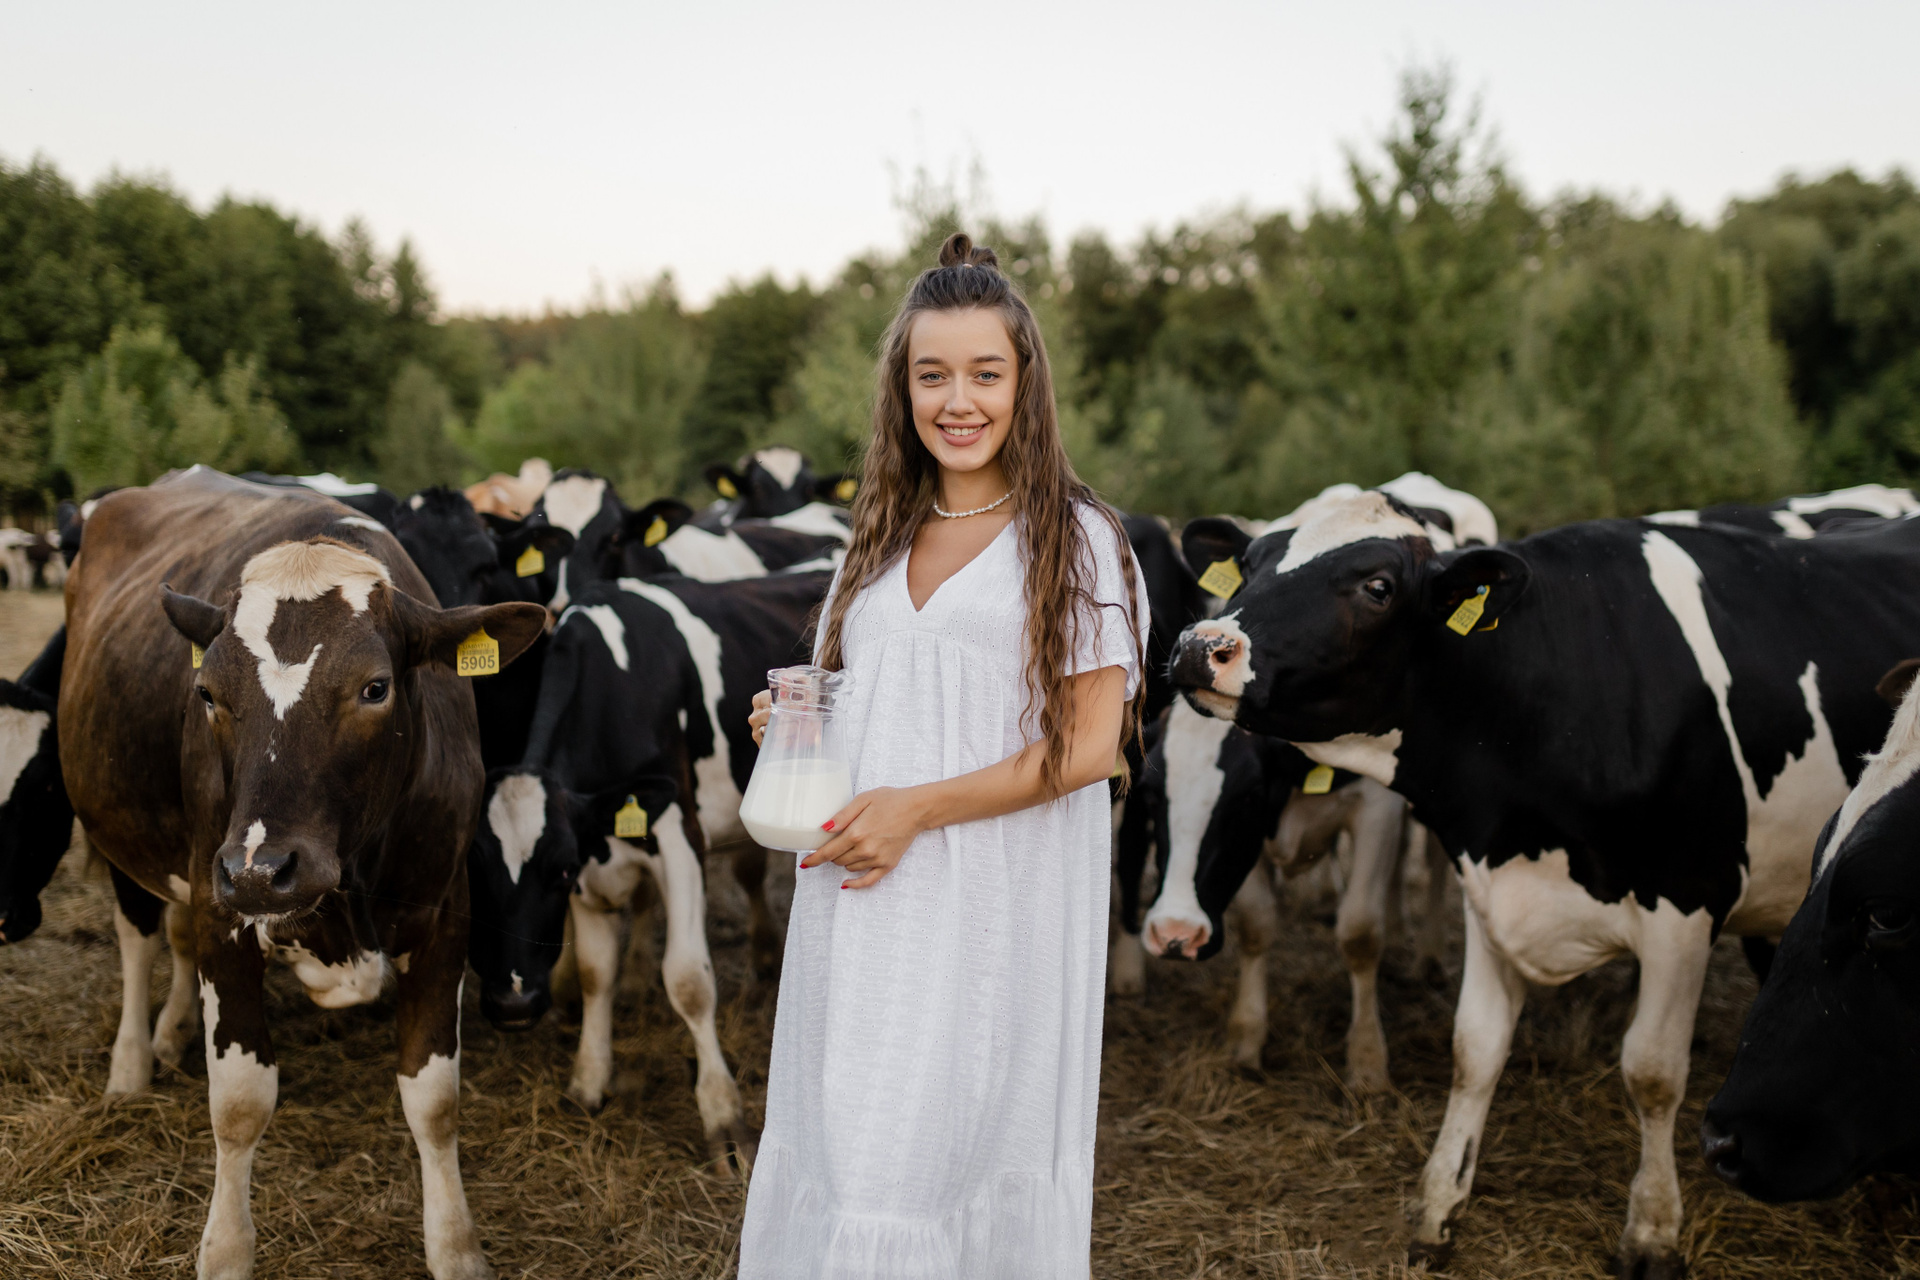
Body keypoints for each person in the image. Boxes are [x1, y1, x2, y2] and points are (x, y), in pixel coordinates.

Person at [737, 233, 1148, 1279]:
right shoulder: (877, 533)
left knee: (935, 1159)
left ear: (1025, 384)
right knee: (852, 1149)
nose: (957, 401)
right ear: (902, 388)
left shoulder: (1076, 538)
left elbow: (1090, 748)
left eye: (984, 373)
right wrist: (799, 726)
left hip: (989, 904)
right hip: (861, 896)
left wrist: (915, 807)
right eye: (932, 375)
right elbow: (872, 698)